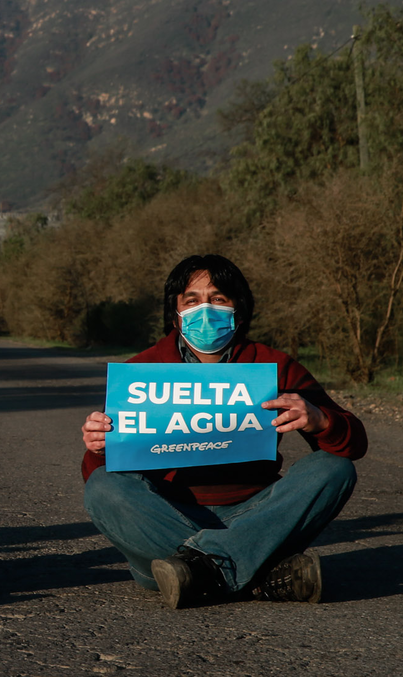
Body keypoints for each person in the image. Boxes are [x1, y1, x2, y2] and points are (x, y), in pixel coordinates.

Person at [80, 254, 366, 609]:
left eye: (218, 299)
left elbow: (354, 443)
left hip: (257, 517)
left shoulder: (274, 366)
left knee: (333, 469)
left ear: (239, 311)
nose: (205, 309)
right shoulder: (141, 371)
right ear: (175, 313)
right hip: (165, 518)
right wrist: (100, 448)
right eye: (192, 300)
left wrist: (321, 420)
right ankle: (261, 574)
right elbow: (99, 470)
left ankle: (199, 572)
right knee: (104, 487)